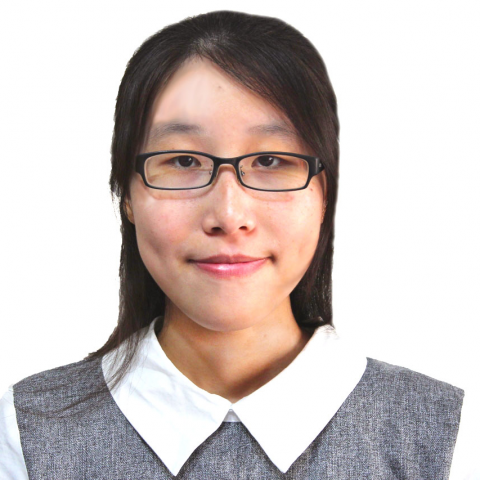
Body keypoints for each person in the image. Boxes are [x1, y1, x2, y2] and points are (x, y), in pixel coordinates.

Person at [0, 10, 474, 479]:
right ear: (127, 195)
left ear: (324, 194)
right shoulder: (31, 432)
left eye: (270, 160)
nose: (229, 216)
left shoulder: (448, 437)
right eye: (183, 161)